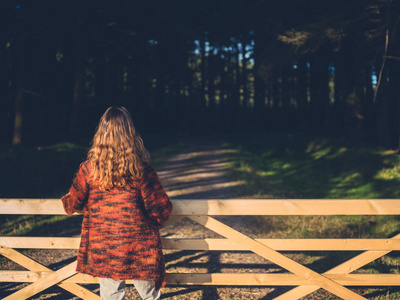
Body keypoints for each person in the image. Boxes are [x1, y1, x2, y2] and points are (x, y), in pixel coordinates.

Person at [61, 106, 172, 300]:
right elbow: (161, 209)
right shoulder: (142, 169)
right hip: (139, 247)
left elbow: (75, 203)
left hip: (104, 247)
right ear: (130, 133)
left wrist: (69, 200)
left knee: (111, 296)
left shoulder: (89, 170)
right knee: (150, 297)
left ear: (101, 135)